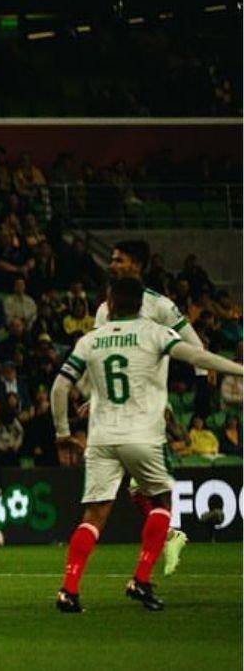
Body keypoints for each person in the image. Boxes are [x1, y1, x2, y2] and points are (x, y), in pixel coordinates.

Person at [51, 278, 244, 613]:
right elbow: (199, 356)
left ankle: (69, 590)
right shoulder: (155, 333)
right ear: (141, 304)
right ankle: (140, 579)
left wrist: (62, 433)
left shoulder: (90, 339)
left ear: (110, 304)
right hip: (142, 436)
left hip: (102, 438)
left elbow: (59, 388)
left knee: (94, 515)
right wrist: (239, 369)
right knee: (161, 503)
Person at [91, 240, 207, 574]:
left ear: (137, 265)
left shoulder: (160, 306)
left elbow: (195, 346)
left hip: (147, 409)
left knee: (143, 486)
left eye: (119, 260)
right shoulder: (104, 310)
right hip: (114, 408)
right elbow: (98, 357)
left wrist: (202, 389)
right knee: (136, 488)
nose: (113, 265)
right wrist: (94, 396)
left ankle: (154, 557)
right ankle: (168, 536)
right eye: (112, 259)